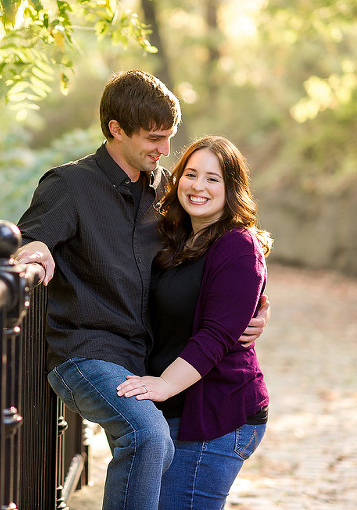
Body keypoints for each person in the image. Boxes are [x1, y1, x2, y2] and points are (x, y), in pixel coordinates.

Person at [14, 71, 270, 509]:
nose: (165, 150)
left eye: (170, 137)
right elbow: (26, 239)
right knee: (148, 437)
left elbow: (225, 255)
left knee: (154, 450)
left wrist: (256, 304)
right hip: (87, 351)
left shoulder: (166, 192)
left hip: (145, 366)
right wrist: (35, 248)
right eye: (154, 137)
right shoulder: (70, 185)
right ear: (116, 129)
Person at [116, 135, 272, 509]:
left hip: (215, 414)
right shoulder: (175, 238)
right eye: (190, 174)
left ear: (232, 188)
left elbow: (216, 334)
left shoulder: (237, 245)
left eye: (213, 178)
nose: (198, 186)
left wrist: (165, 384)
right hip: (175, 410)